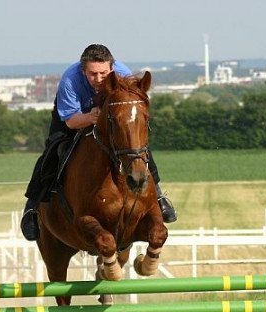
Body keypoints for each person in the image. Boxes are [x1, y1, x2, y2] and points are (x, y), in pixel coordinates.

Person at [21, 44, 177, 241]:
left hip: (108, 117)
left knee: (136, 147)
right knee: (54, 150)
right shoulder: (70, 80)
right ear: (83, 70)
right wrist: (92, 117)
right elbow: (70, 122)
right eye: (92, 74)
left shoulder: (122, 73)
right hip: (75, 117)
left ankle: (159, 196)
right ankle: (32, 207)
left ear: (112, 68)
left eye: (103, 73)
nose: (98, 79)